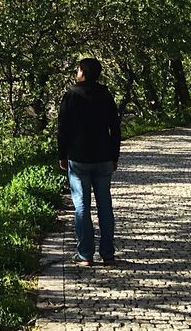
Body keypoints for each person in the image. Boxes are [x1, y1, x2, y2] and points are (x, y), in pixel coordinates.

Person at [56, 57, 121, 266]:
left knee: (82, 206)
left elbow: (62, 129)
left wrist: (62, 155)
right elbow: (115, 128)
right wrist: (114, 155)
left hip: (79, 158)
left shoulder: (71, 95)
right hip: (103, 158)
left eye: (78, 70)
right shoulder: (105, 95)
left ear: (82, 72)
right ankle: (108, 253)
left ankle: (85, 254)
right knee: (105, 206)